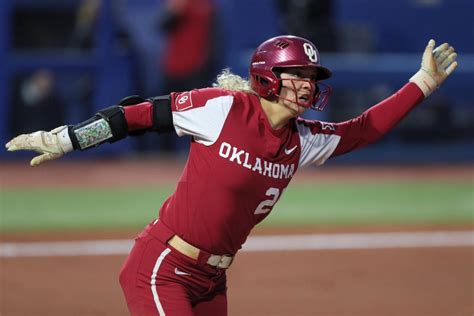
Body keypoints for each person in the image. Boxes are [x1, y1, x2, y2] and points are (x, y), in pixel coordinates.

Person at [5, 35, 458, 315]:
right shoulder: (224, 109)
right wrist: (67, 138)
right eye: (295, 73)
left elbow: (362, 131)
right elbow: (138, 115)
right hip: (163, 267)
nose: (307, 84)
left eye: (311, 76)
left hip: (212, 282)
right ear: (267, 78)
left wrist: (422, 83)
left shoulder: (302, 138)